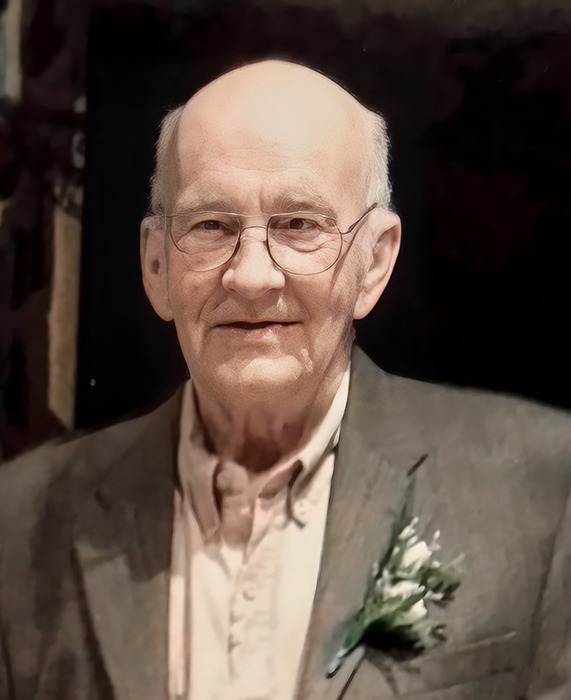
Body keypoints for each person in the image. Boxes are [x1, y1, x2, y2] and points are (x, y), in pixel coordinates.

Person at [1, 59, 571, 700]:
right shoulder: (23, 518)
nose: (251, 276)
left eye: (299, 225)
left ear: (374, 262)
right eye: (211, 226)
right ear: (156, 265)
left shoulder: (542, 491)